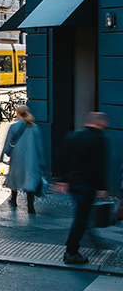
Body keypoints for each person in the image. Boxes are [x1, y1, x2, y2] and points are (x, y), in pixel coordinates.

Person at [55, 112, 111, 264]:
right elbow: (99, 165)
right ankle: (71, 252)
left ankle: (89, 240)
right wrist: (101, 187)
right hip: (88, 184)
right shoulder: (99, 139)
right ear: (100, 123)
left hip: (74, 183)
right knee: (81, 217)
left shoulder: (73, 136)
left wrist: (63, 180)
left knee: (81, 215)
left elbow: (62, 158)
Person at [1, 104, 43, 214]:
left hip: (17, 157)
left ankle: (13, 200)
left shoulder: (14, 127)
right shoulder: (34, 127)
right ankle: (30, 205)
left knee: (14, 178)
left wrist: (5, 154)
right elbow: (39, 146)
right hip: (31, 158)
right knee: (30, 179)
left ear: (18, 113)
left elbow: (8, 143)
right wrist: (41, 159)